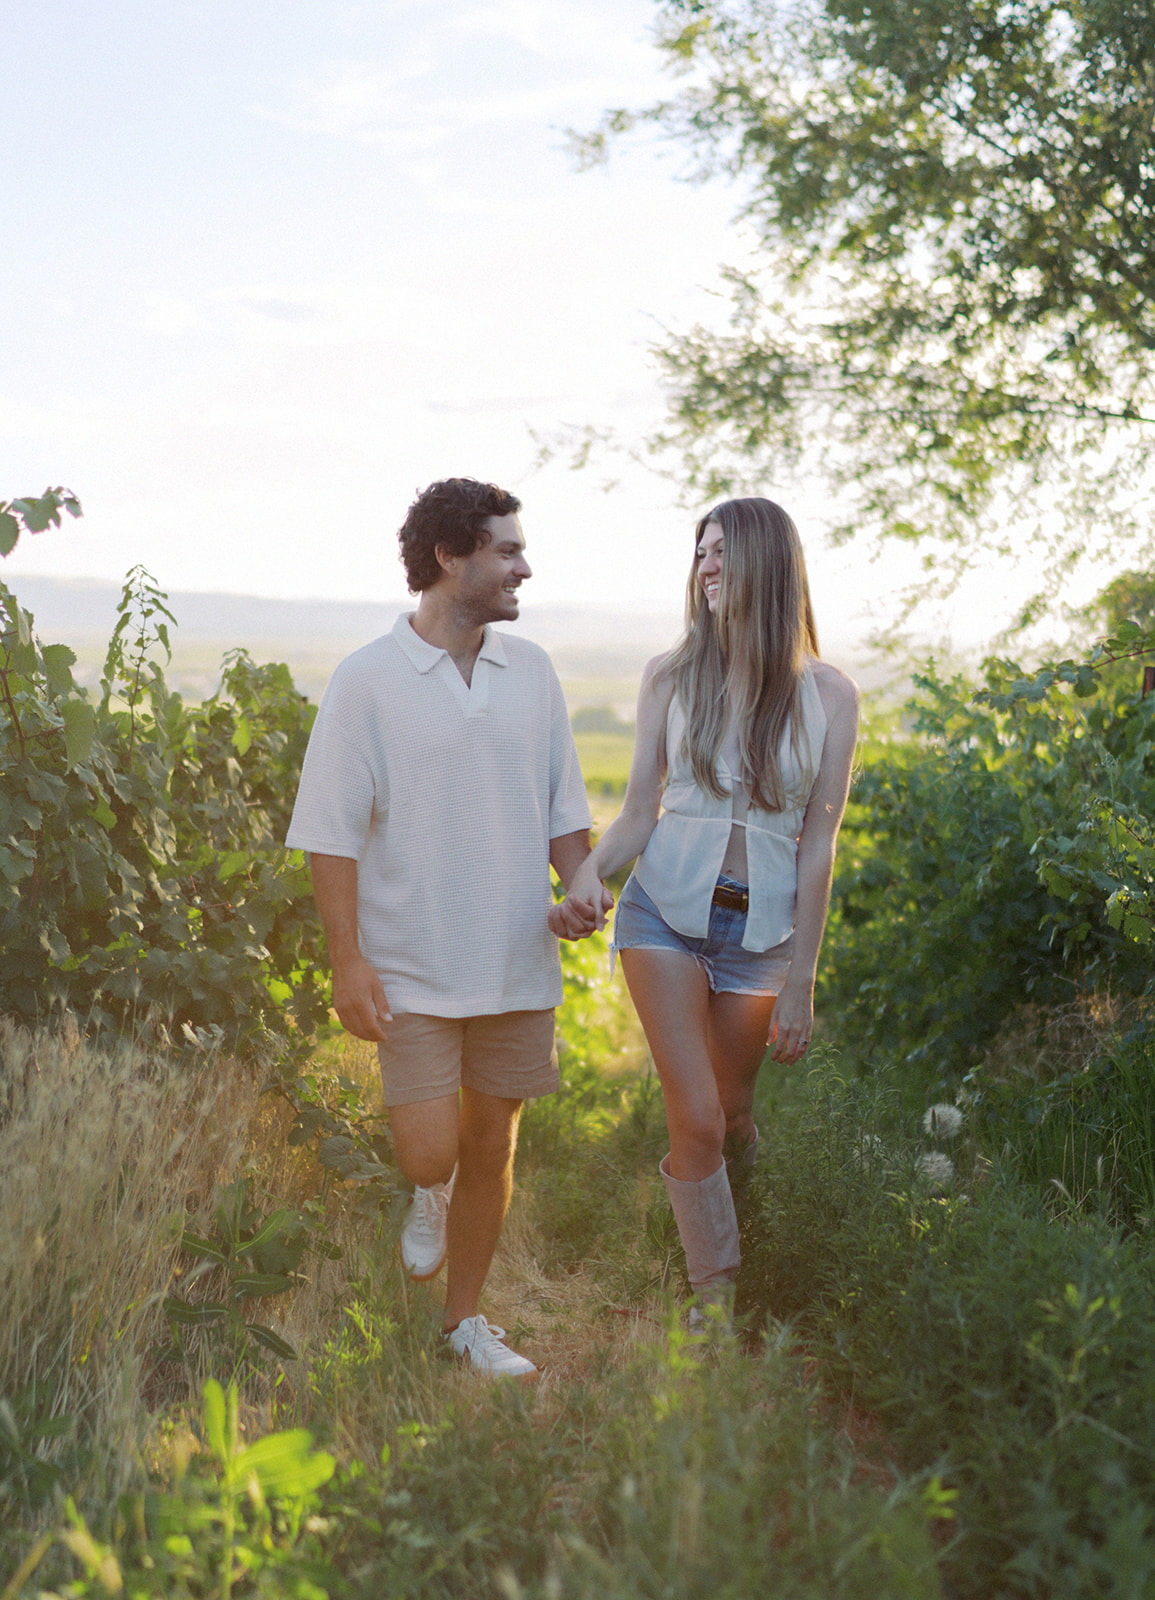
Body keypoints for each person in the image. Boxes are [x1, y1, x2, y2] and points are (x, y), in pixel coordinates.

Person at [287, 477, 608, 1377]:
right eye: (505, 550)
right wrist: (347, 963)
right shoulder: (367, 680)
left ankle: (464, 1323)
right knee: (434, 1149)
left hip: (513, 958)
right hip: (412, 965)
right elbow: (329, 835)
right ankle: (428, 1194)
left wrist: (580, 886)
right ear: (448, 557)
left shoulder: (532, 672)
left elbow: (562, 814)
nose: (523, 566)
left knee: (494, 1141)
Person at [550, 497, 858, 1319]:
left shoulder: (830, 696)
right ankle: (715, 1302)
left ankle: (738, 1223)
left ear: (768, 563)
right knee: (693, 1117)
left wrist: (801, 979)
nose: (707, 566)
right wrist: (589, 877)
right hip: (661, 916)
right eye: (700, 553)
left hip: (762, 938)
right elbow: (639, 813)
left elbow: (818, 846)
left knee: (733, 1113)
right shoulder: (669, 675)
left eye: (722, 551)